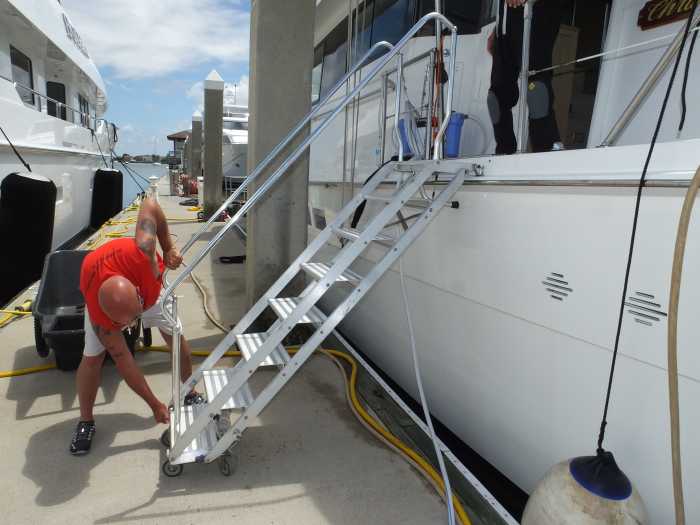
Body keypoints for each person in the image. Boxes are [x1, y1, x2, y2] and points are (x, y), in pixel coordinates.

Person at [70, 196, 202, 455]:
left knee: (176, 337)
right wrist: (154, 404)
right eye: (127, 324)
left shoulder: (144, 248)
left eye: (135, 318)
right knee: (92, 358)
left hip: (150, 289)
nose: (134, 326)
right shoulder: (101, 317)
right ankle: (86, 421)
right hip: (112, 297)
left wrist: (169, 247)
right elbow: (124, 360)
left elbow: (150, 203)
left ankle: (189, 392)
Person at [487, 0, 566, 154]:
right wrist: (498, 26)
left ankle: (546, 151)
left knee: (536, 91)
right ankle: (505, 152)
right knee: (495, 99)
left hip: (538, 12)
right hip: (505, 25)